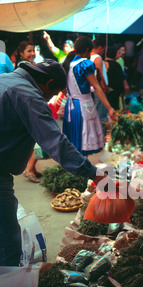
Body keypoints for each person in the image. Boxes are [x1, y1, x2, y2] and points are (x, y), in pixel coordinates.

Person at [0, 59, 112, 266]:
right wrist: (96, 174)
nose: (50, 98)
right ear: (49, 84)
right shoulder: (29, 96)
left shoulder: (6, 79)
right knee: (7, 244)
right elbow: (56, 143)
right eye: (54, 93)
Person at [62, 36, 117, 156]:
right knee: (83, 140)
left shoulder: (67, 64)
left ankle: (75, 169)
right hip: (83, 106)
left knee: (74, 140)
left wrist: (71, 95)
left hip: (71, 106)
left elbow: (62, 87)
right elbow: (97, 87)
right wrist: (109, 108)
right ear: (87, 50)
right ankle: (82, 169)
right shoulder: (84, 65)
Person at [16, 41, 42, 183]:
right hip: (28, 106)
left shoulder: (30, 66)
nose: (32, 53)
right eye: (28, 51)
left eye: (33, 50)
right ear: (21, 53)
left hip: (30, 105)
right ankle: (29, 168)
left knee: (34, 138)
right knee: (38, 137)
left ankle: (31, 167)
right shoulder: (23, 67)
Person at [90, 37, 109, 136]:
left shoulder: (89, 57)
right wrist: (104, 88)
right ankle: (101, 138)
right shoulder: (97, 58)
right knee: (101, 115)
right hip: (98, 90)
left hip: (91, 90)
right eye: (103, 48)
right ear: (101, 47)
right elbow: (99, 75)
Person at [105, 45, 125, 111]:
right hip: (114, 91)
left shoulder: (103, 63)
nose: (119, 55)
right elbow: (119, 80)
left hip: (104, 90)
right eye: (118, 53)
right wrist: (122, 90)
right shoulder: (116, 65)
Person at [115, 43, 130, 110]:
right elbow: (122, 73)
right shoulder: (120, 60)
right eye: (122, 50)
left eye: (124, 50)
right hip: (119, 84)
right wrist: (125, 84)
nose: (124, 52)